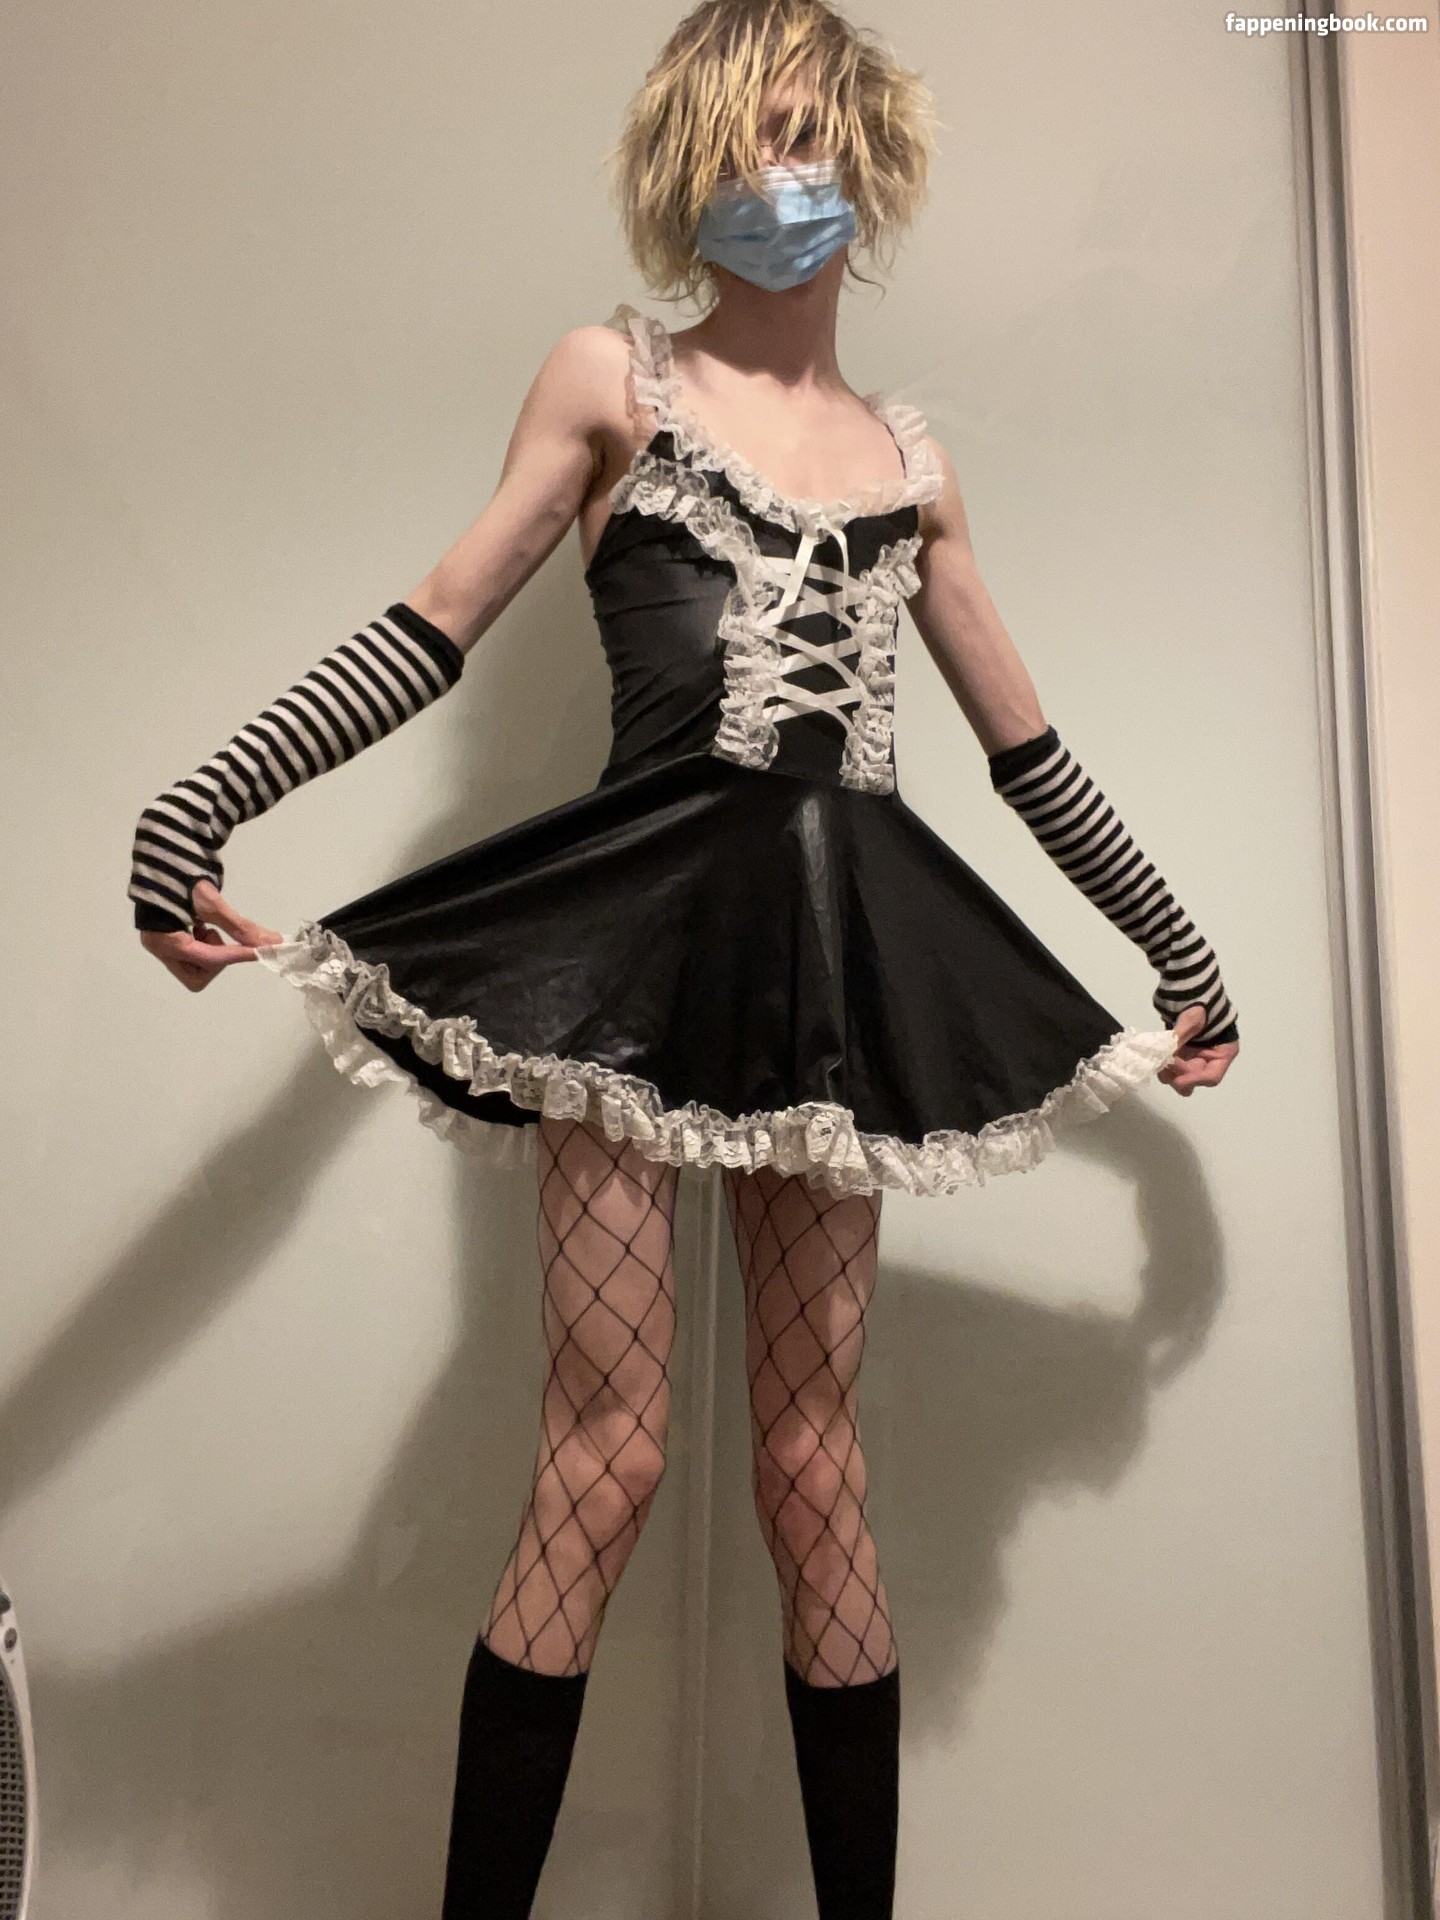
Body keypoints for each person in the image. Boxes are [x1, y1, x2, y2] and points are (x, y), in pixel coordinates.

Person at [126, 0, 1239, 1913]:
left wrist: (1184, 956)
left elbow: (1025, 748)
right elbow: (437, 622)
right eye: (740, 136)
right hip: (634, 954)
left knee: (815, 1468)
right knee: (607, 1456)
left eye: (806, 131)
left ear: (868, 155)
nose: (776, 171)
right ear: (678, 165)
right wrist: (199, 804)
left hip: (837, 969)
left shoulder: (910, 459)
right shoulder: (611, 377)